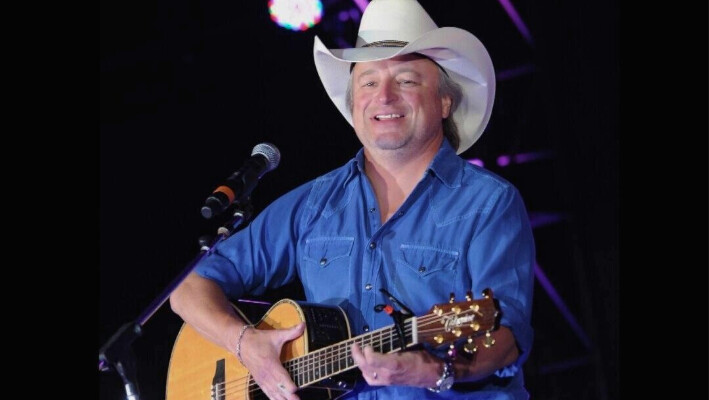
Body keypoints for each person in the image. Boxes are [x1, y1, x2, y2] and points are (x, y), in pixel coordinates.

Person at [169, 0, 535, 399]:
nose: (385, 97)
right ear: (354, 102)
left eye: (407, 80)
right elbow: (190, 287)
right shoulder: (315, 203)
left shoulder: (488, 203)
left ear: (444, 102)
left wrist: (433, 368)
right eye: (368, 82)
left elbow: (506, 337)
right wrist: (245, 344)